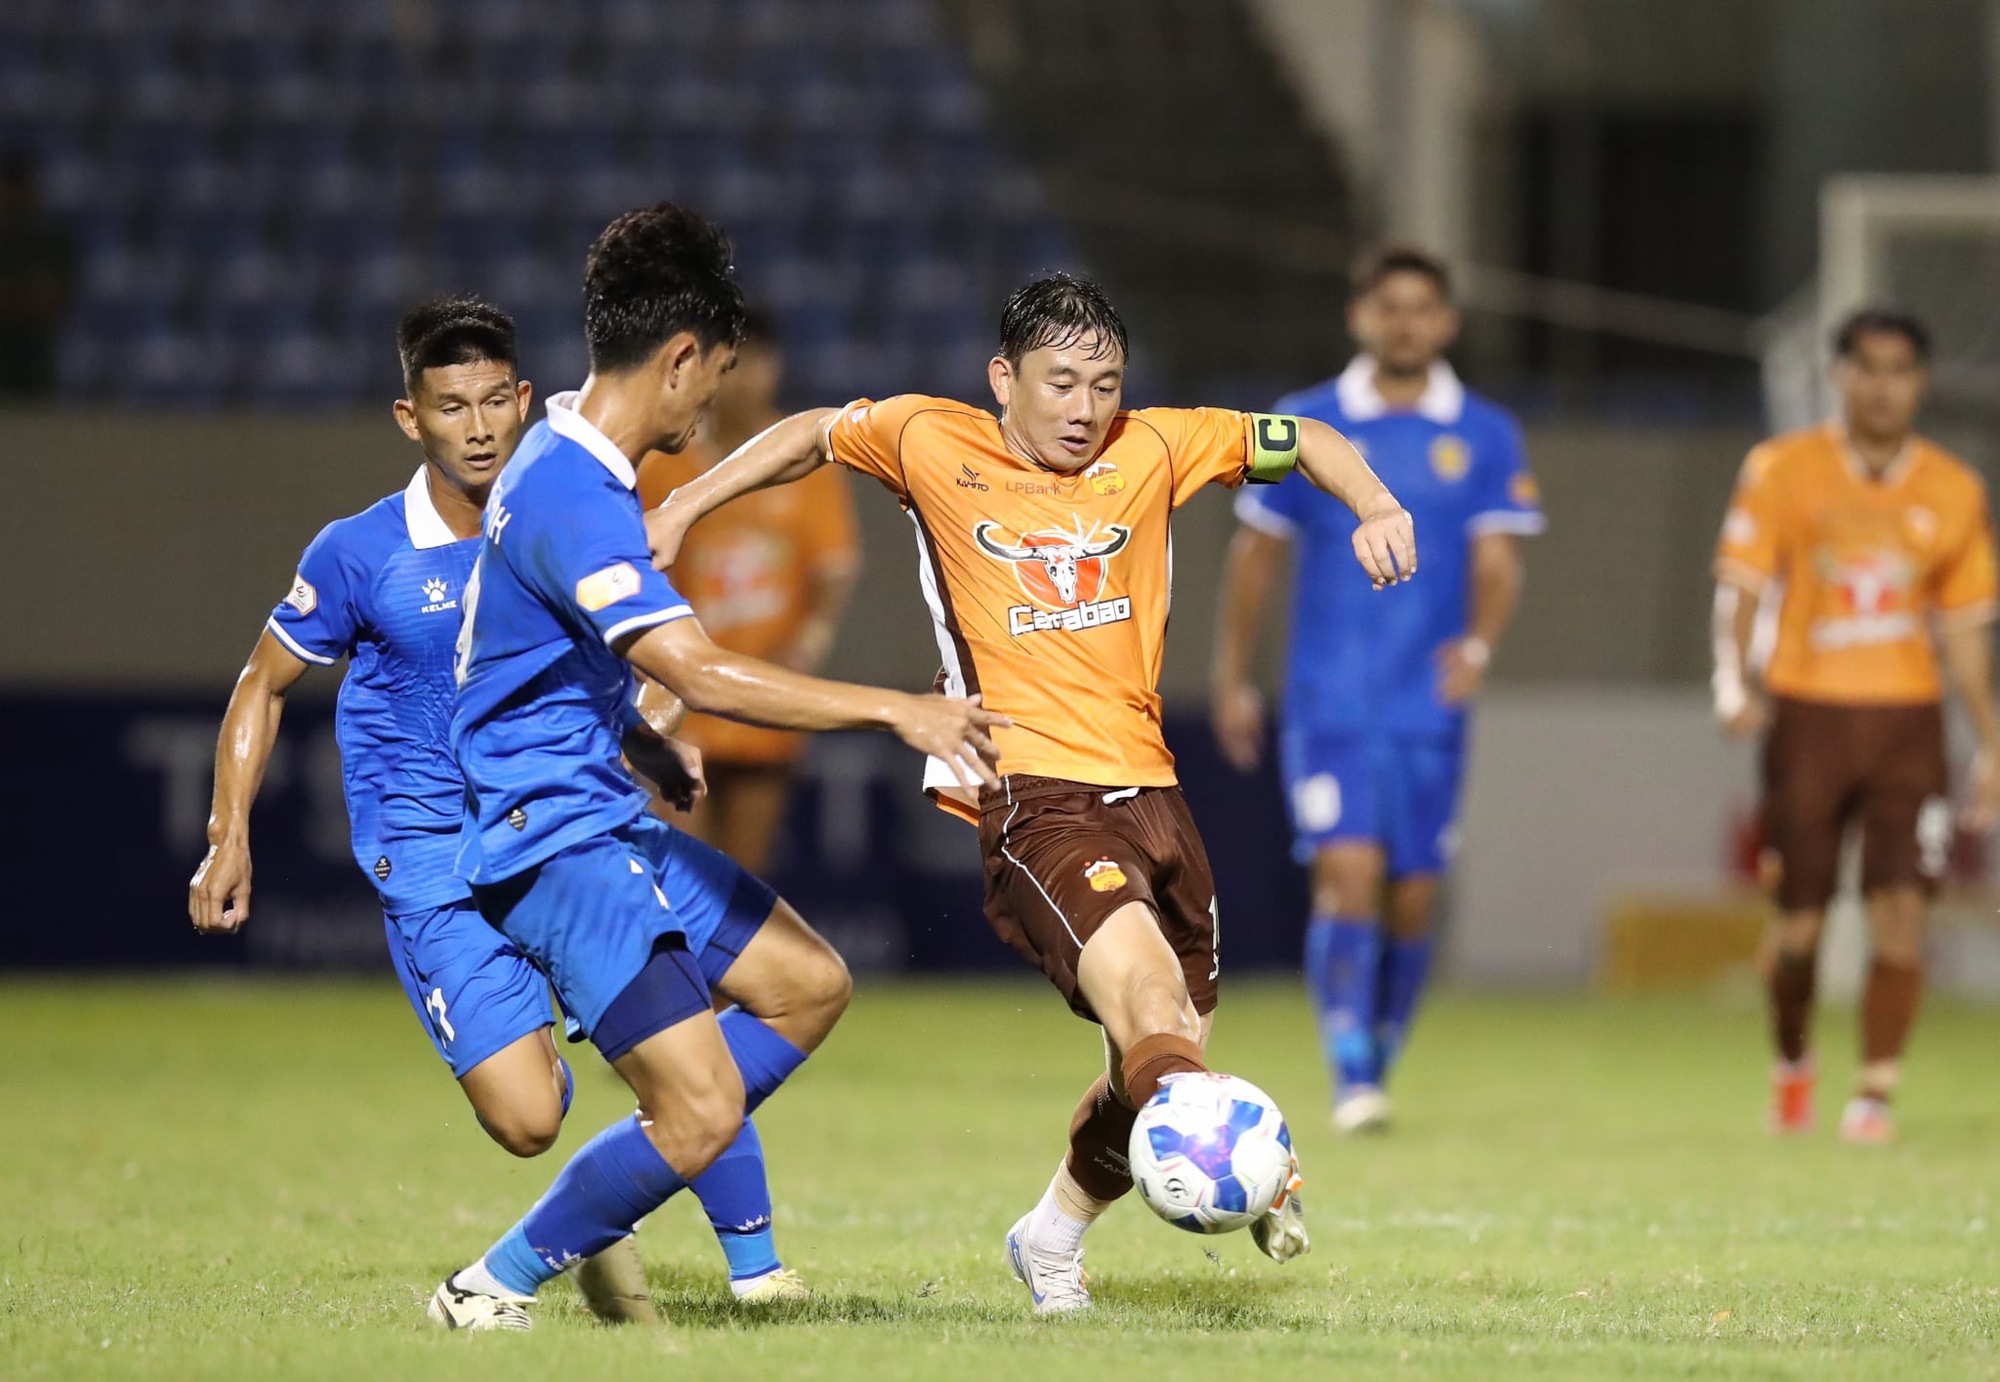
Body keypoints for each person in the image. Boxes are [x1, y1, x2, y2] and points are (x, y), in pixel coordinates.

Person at [646, 272, 1416, 1315]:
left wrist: (1373, 501)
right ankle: (1246, 1153)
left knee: (1155, 1048)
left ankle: (1049, 1235)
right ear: (1003, 378)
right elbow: (817, 432)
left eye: (1103, 384)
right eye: (1059, 382)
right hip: (1034, 792)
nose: (1083, 407)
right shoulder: (928, 438)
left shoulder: (1155, 445)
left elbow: (1304, 437)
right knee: (1151, 1004)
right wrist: (687, 499)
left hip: (1153, 792)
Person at [430, 205, 1003, 1331]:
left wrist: (633, 736)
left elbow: (530, 653)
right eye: (714, 376)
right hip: (555, 841)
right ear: (681, 357)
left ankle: (635, 1199)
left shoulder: (561, 462)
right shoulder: (576, 495)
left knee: (806, 982)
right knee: (695, 1111)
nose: (710, 403)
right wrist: (900, 707)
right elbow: (697, 667)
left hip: (595, 805)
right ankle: (486, 1288)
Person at [186, 296, 808, 1321]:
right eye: (448, 407)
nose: (475, 427)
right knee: (526, 1117)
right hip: (438, 861)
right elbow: (261, 682)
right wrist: (227, 834)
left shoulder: (548, 517)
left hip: (562, 825)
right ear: (409, 418)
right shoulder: (360, 551)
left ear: (523, 399)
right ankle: (615, 1186)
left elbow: (570, 677)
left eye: (491, 402)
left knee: (780, 988)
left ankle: (738, 1253)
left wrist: (642, 740)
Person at [1210, 244, 1544, 1135]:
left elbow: (1499, 559)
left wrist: (1477, 645)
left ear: (1447, 323)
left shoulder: (1484, 432)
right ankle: (1351, 1069)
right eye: (1388, 307)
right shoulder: (1306, 420)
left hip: (1428, 704)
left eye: (1421, 308)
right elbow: (1256, 555)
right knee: (1347, 874)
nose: (1404, 323)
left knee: (1414, 897)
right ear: (1361, 318)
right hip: (1329, 700)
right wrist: (1234, 675)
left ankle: (1380, 1050)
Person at [1713, 308, 2000, 1145]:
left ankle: (1874, 1094)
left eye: (1899, 369)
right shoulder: (1782, 469)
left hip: (1909, 722)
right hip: (1807, 713)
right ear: (1839, 375)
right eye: (1867, 367)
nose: (1883, 385)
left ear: (1921, 381)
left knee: (1901, 907)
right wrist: (1733, 680)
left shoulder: (1953, 487)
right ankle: (1794, 1062)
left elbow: (1963, 629)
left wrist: (1988, 736)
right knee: (1799, 924)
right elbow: (1741, 582)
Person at [636, 309, 860, 873]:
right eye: (733, 364)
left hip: (764, 689)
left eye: (758, 361)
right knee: (679, 869)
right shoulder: (666, 462)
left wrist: (810, 643)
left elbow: (832, 570)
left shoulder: (805, 459)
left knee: (744, 876)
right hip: (683, 689)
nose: (746, 377)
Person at [0, 154, 73, 398]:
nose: (13, 199)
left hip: (35, 357)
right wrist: (28, 294)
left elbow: (54, 302)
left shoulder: (51, 242)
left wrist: (13, 297)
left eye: (19, 191)